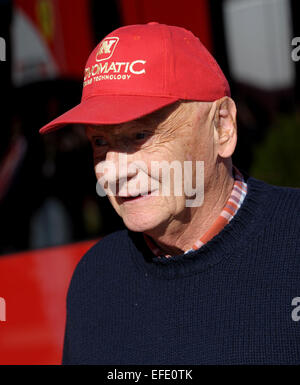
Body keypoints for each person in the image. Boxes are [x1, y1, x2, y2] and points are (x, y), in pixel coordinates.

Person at [40, 23, 300, 365]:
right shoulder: (95, 280)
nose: (115, 171)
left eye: (140, 136)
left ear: (222, 127)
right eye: (100, 142)